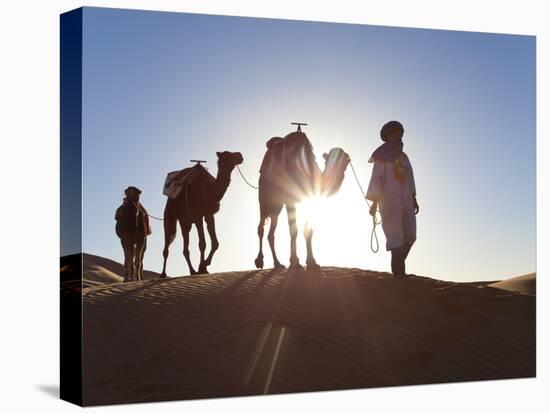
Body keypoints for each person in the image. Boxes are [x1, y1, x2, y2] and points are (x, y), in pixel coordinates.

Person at [366, 121, 419, 277]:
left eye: (399, 133)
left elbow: (411, 179)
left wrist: (414, 198)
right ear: (388, 136)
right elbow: (377, 179)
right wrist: (374, 203)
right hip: (389, 202)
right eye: (395, 133)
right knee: (396, 238)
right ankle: (399, 276)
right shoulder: (381, 157)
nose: (398, 136)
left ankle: (398, 266)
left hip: (407, 200)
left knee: (411, 235)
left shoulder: (404, 157)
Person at [114, 186, 152, 281]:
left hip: (140, 233)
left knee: (139, 254)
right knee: (128, 254)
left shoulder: (139, 208)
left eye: (132, 193)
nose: (130, 194)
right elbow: (118, 217)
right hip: (125, 234)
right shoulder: (122, 208)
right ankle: (127, 275)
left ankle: (138, 274)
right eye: (128, 193)